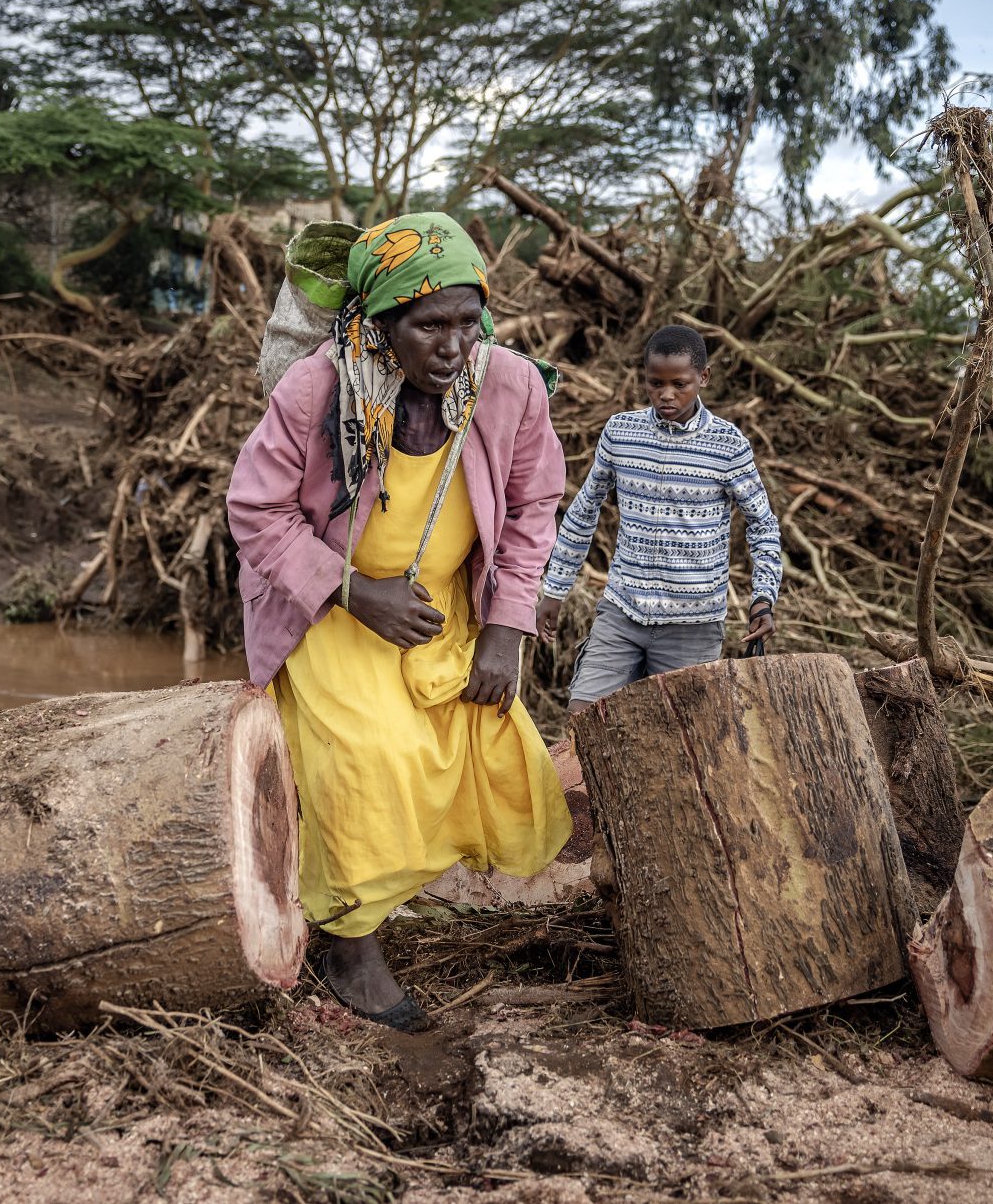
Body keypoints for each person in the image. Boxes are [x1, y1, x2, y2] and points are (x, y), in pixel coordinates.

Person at [227, 211, 570, 1031]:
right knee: (366, 757)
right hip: (332, 607)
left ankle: (380, 890)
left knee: (483, 742)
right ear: (381, 324)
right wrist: (354, 592)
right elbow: (257, 511)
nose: (452, 345)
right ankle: (351, 941)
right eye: (428, 325)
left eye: (466, 320)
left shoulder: (510, 385)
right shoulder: (318, 387)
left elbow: (532, 508)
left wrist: (504, 626)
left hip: (440, 601)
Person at [536, 326, 782, 711]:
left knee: (685, 747)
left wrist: (763, 598)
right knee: (584, 720)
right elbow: (585, 510)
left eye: (679, 384)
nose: (666, 395)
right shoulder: (620, 432)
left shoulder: (728, 445)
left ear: (703, 377)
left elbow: (763, 525)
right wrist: (554, 588)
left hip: (694, 628)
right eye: (655, 383)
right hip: (622, 612)